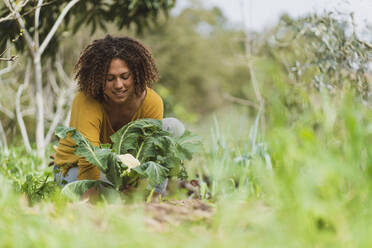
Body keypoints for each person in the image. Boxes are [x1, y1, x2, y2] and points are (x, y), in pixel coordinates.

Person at [53, 35, 183, 198]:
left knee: (173, 126)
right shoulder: (87, 100)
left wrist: (145, 192)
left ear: (136, 74)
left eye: (125, 76)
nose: (119, 85)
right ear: (98, 79)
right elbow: (89, 158)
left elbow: (152, 154)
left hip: (124, 171)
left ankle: (152, 196)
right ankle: (119, 195)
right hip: (77, 170)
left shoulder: (151, 101)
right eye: (109, 78)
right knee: (101, 190)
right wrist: (89, 206)